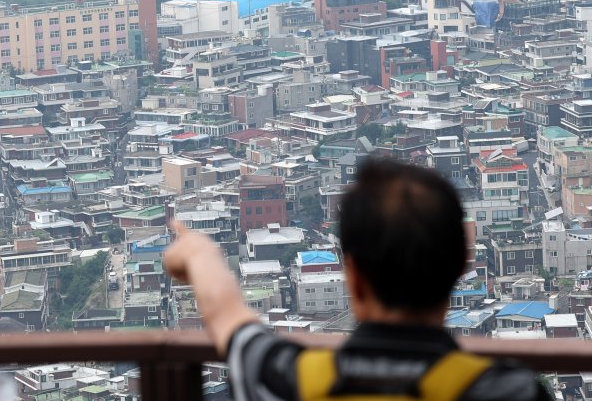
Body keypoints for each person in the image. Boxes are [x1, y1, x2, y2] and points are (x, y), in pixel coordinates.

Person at [164, 159, 552, 401]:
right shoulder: (505, 391)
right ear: (461, 266)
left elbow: (226, 315)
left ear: (352, 275)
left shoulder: (287, 379)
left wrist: (196, 251)